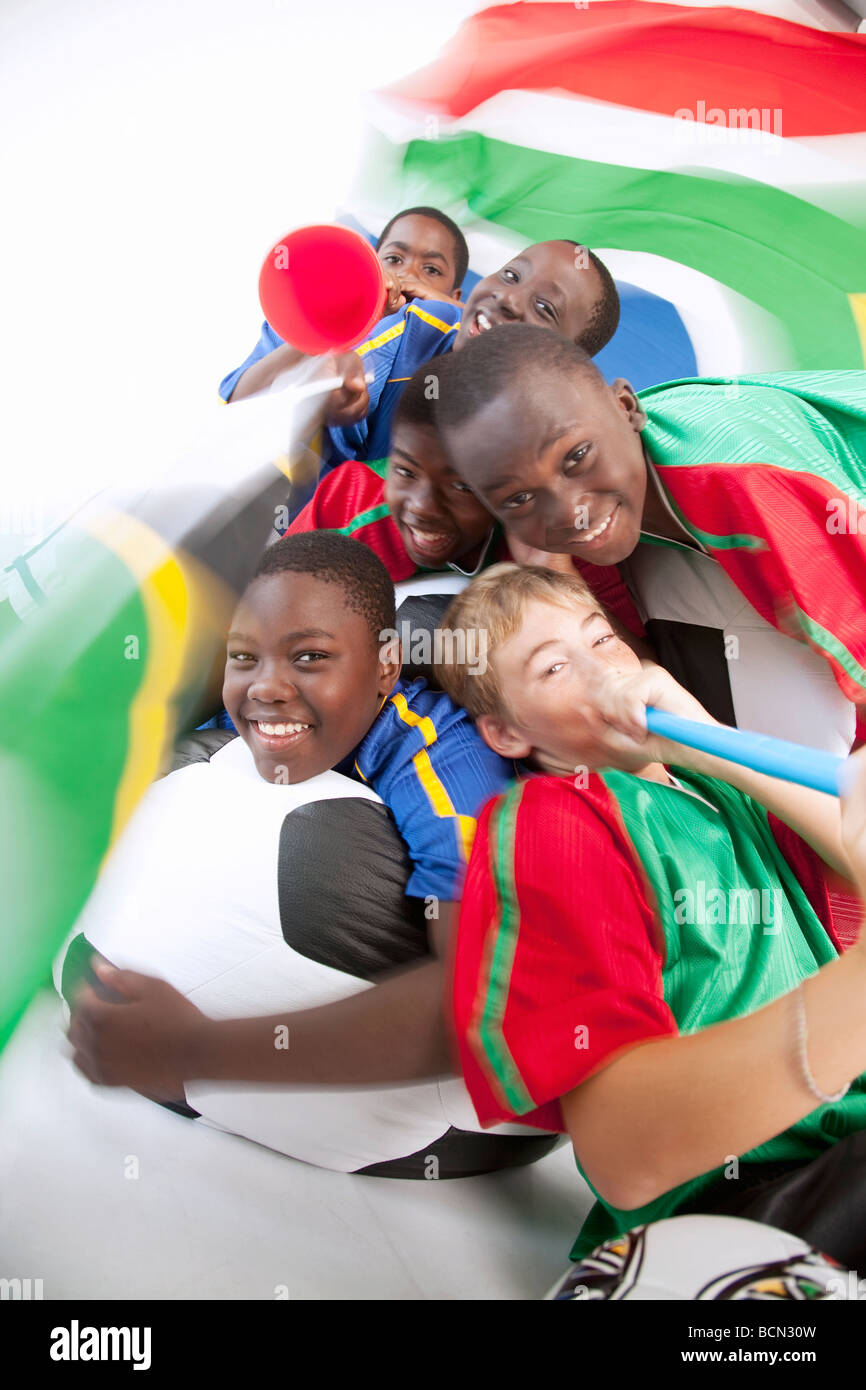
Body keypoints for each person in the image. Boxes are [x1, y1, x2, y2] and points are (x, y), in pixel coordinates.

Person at [61, 534, 558, 1176]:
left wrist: (194, 1049)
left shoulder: (444, 764)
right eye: (245, 656)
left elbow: (488, 1005)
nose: (267, 688)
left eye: (311, 657)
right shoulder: (248, 720)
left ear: (385, 668)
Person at [433, 562, 866, 1271]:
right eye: (553, 668)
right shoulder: (553, 823)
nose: (602, 671)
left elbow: (853, 855)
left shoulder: (729, 795)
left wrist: (706, 740)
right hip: (749, 1210)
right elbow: (624, 1157)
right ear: (507, 734)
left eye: (601, 639)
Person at [435, 323, 866, 759]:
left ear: (626, 408)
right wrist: (559, 575)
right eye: (519, 498)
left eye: (577, 458)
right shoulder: (549, 523)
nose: (569, 512)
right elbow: (637, 675)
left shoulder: (758, 486)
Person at [288, 355, 646, 641]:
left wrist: (557, 575)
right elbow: (269, 609)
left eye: (461, 486)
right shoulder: (358, 507)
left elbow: (638, 665)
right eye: (407, 471)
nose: (423, 507)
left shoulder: (564, 531)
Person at [223, 240, 621, 477]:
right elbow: (242, 408)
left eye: (544, 308)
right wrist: (330, 376)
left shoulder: (552, 450)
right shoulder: (420, 327)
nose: (509, 298)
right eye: (511, 275)